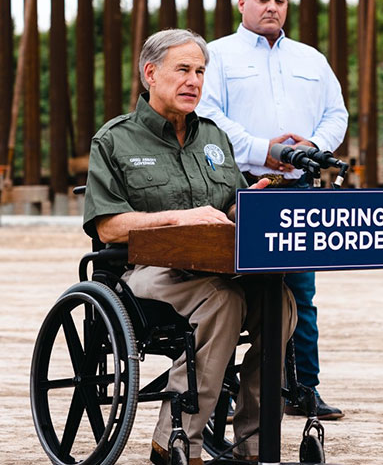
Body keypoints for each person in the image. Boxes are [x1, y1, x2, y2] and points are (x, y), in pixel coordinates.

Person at [82, 28, 297, 465]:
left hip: (218, 264)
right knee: (222, 303)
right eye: (182, 69)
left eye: (200, 71)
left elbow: (231, 209)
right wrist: (178, 217)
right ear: (150, 73)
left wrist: (252, 204)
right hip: (146, 271)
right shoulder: (115, 139)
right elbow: (107, 226)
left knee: (281, 303)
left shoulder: (215, 138)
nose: (194, 80)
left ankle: (255, 447)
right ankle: (177, 441)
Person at [196, 0, 349, 420]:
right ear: (241, 3)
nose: (272, 7)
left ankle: (303, 389)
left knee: (301, 293)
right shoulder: (216, 56)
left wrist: (309, 150)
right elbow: (210, 119)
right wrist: (268, 150)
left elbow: (336, 114)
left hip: (297, 189)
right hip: (240, 188)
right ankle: (227, 392)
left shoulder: (310, 59)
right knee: (232, 291)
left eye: (280, 0)